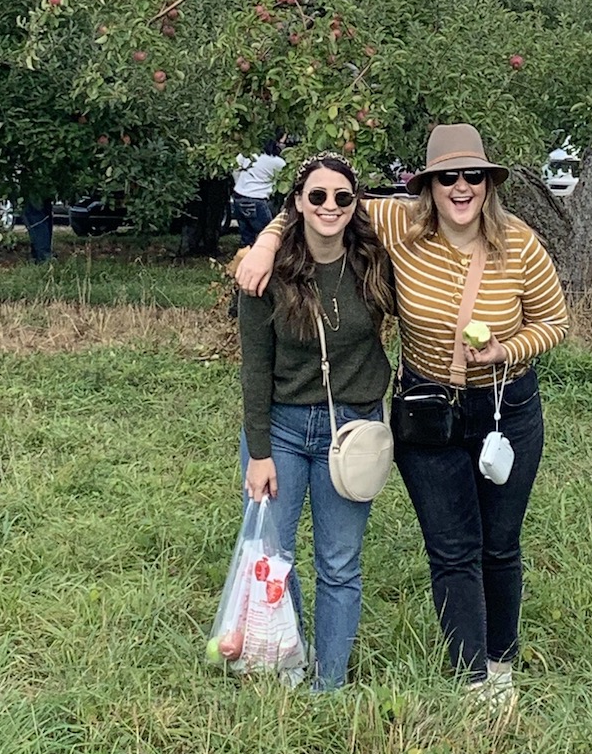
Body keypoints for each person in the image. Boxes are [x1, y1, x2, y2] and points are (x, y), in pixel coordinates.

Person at [238, 124, 568, 701]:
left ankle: (500, 663)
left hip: (503, 409)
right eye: (447, 178)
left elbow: (554, 323)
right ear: (429, 186)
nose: (460, 188)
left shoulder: (521, 244)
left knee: (499, 543)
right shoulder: (399, 224)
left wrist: (504, 350)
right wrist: (265, 244)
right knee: (451, 547)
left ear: (488, 184)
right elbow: (317, 204)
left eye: (472, 177)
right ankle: (472, 678)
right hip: (426, 409)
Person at [239, 152, 395, 691]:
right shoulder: (269, 271)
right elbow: (254, 368)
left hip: (352, 430)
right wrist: (258, 452)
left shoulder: (376, 263)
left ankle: (329, 685)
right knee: (275, 557)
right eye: (317, 196)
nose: (330, 206)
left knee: (339, 563)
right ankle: (290, 657)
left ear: (356, 205)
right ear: (298, 204)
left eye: (342, 197)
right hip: (282, 428)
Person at [232, 138, 286, 248]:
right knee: (268, 236)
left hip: (239, 197)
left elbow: (234, 167)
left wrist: (239, 184)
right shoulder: (278, 162)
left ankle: (243, 260)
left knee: (246, 238)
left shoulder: (248, 155)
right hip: (257, 199)